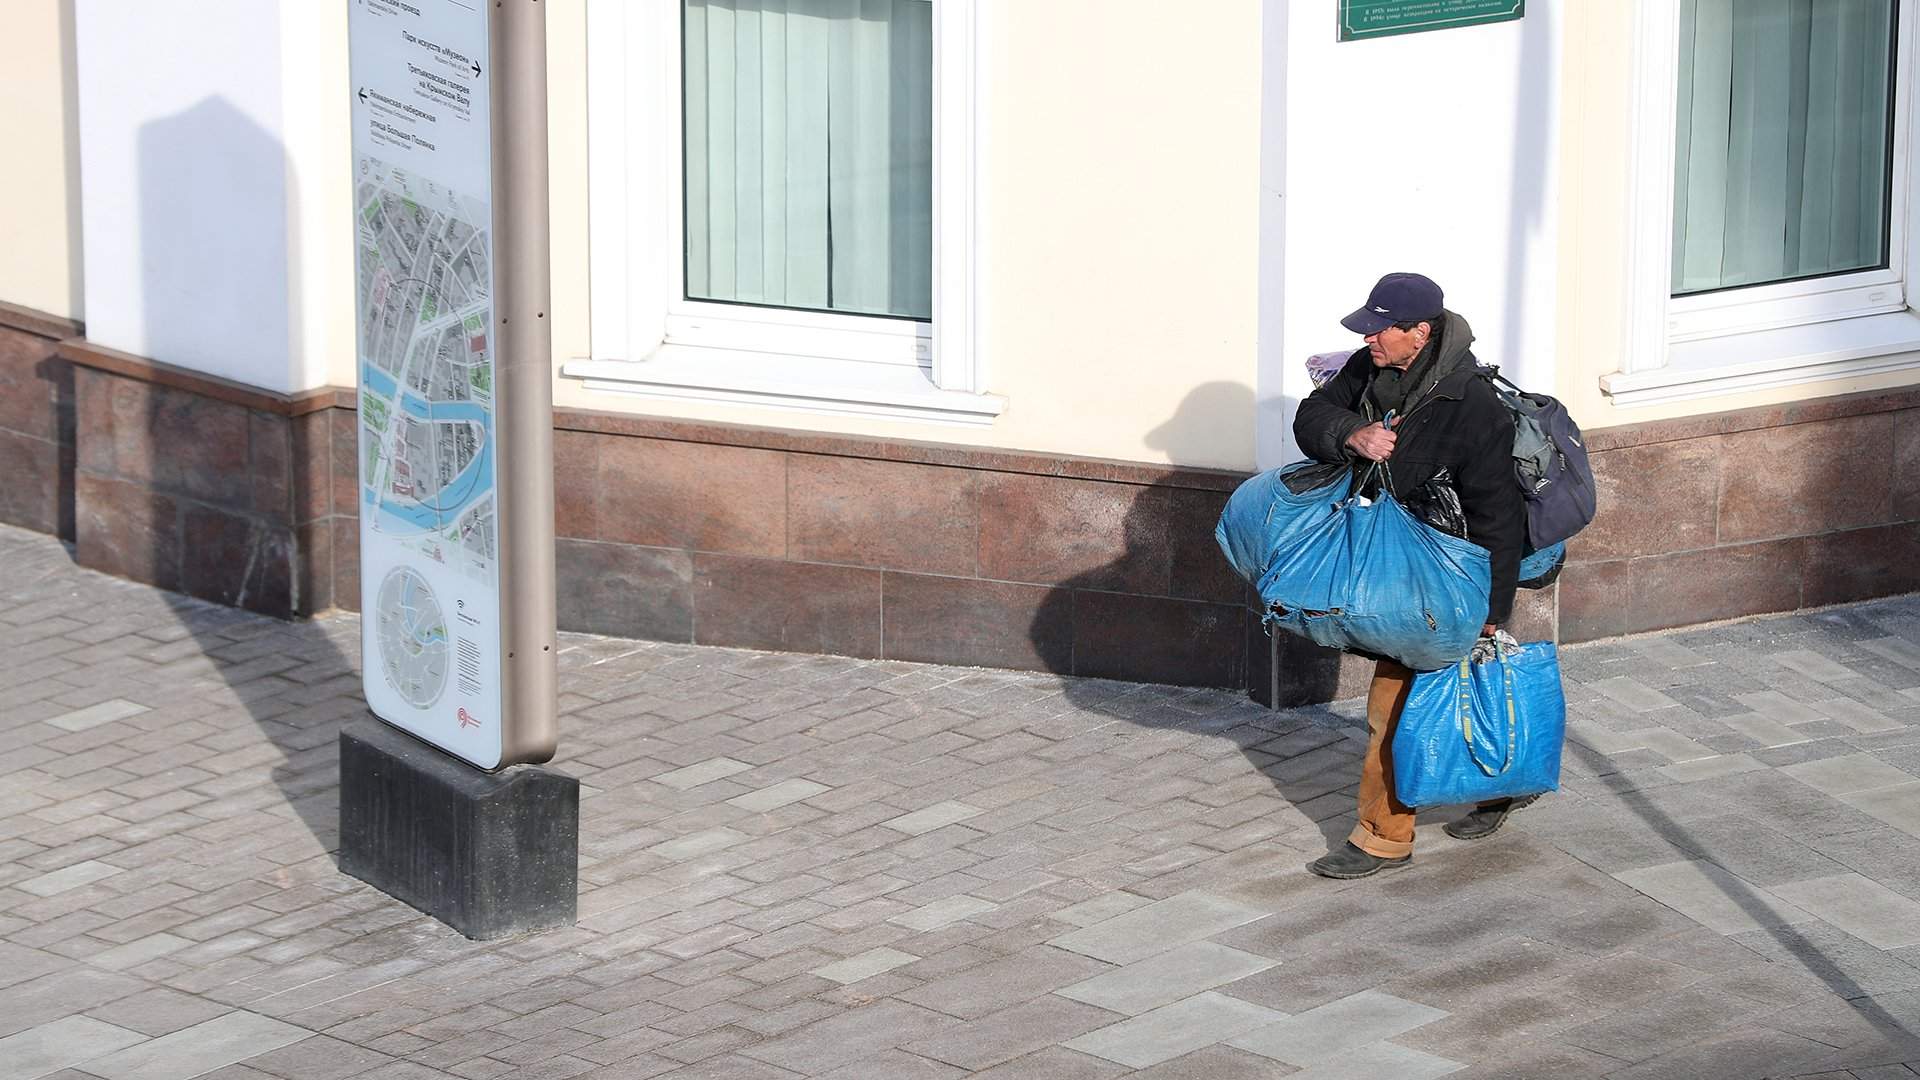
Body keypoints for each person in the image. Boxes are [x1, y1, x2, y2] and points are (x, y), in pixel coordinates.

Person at [1292, 272, 1530, 880]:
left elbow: (1498, 515)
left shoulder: (1471, 406)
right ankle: (1504, 780)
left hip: (1449, 572)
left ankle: (1381, 838)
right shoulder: (1368, 370)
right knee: (1455, 692)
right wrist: (1352, 434)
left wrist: (1492, 609)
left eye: (1380, 328)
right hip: (1392, 557)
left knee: (1392, 703)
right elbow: (1312, 414)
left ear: (1418, 334)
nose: (1369, 338)